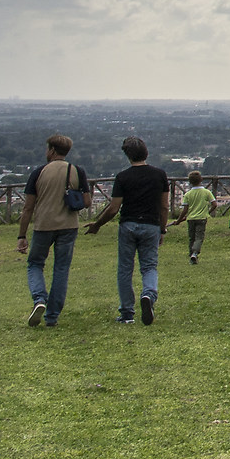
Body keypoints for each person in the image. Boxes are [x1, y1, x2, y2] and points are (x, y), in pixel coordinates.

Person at [86, 137, 170, 325]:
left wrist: (97, 225)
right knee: (149, 266)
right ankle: (148, 295)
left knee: (125, 268)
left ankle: (127, 312)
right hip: (151, 224)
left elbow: (114, 208)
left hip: (128, 225)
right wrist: (162, 229)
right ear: (146, 152)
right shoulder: (160, 175)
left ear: (127, 155)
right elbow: (164, 206)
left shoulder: (123, 177)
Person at [16, 134, 88, 328]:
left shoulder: (39, 173)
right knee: (61, 269)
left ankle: (39, 298)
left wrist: (22, 235)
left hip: (43, 225)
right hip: (69, 226)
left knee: (35, 263)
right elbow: (87, 202)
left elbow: (28, 208)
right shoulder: (76, 171)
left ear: (52, 150)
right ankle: (52, 316)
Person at [177, 170, 215, 263]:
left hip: (190, 219)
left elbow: (185, 210)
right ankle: (195, 253)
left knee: (191, 237)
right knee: (199, 237)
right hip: (202, 218)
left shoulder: (188, 194)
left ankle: (191, 254)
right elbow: (214, 204)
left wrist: (179, 220)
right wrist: (207, 212)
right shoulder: (206, 192)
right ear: (201, 180)